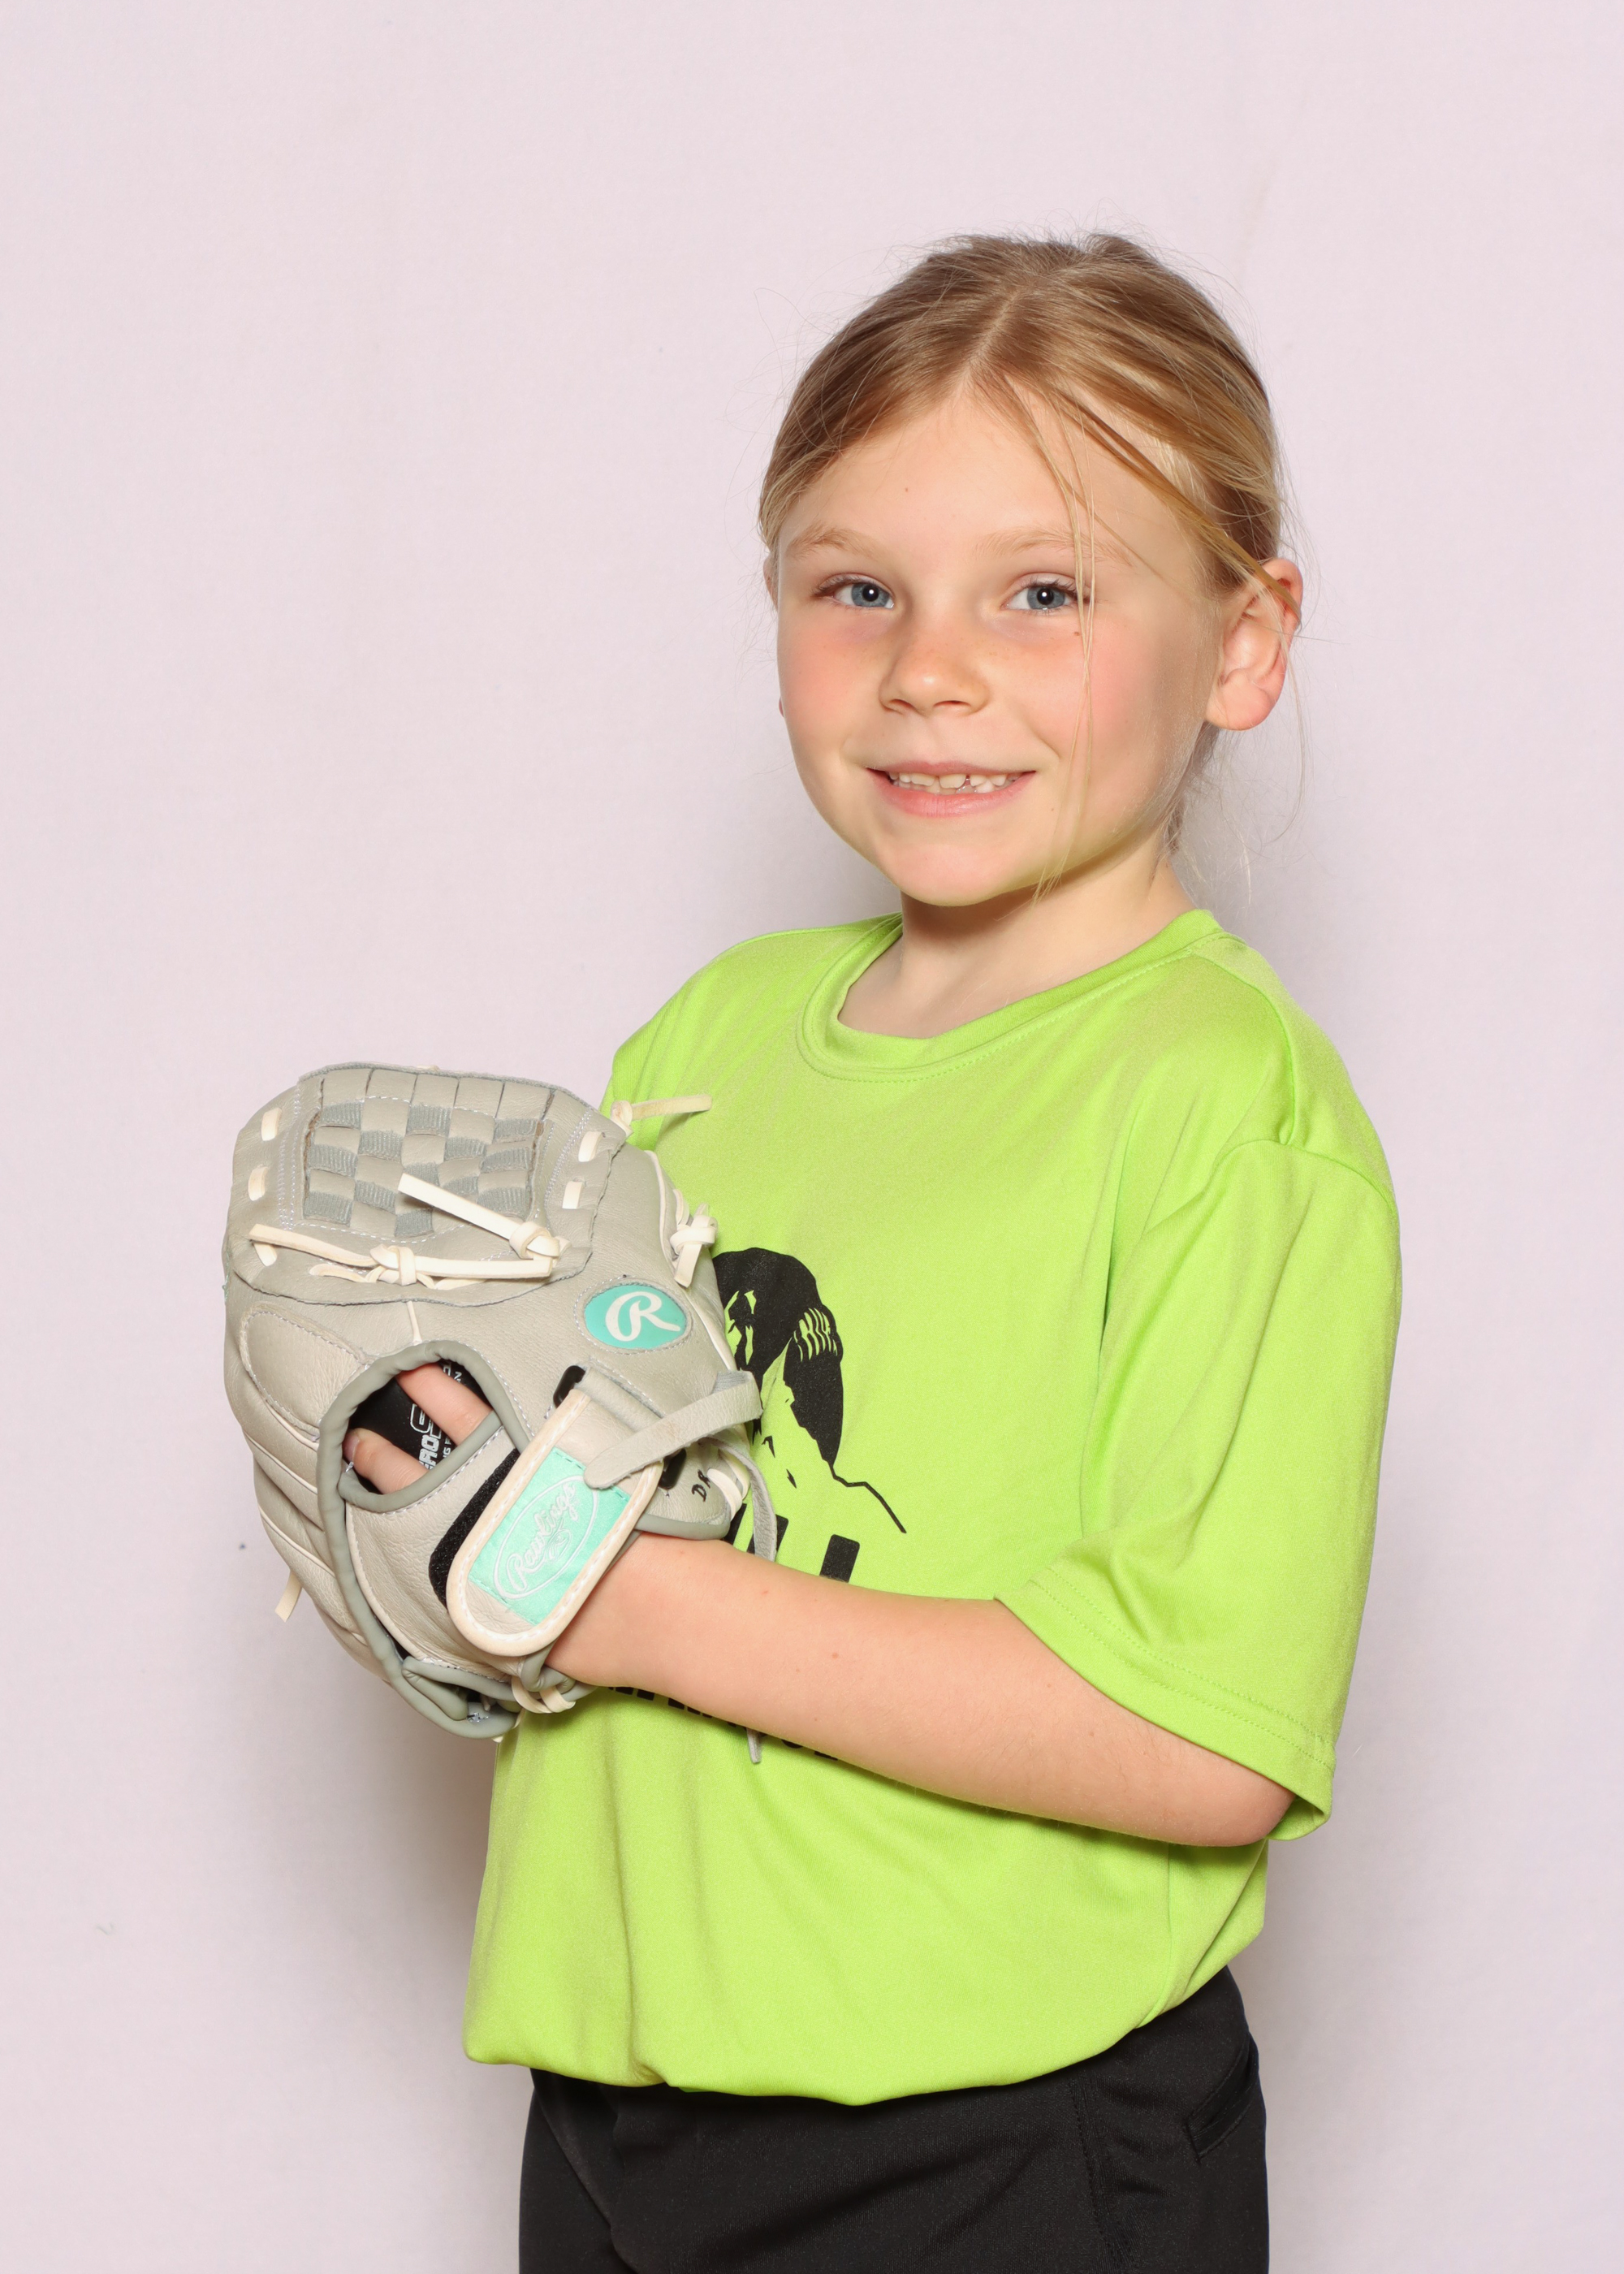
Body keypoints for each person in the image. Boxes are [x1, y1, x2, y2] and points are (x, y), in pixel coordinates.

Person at [346, 234, 1401, 2272]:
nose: (930, 668)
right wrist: (423, 1471)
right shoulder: (712, 1037)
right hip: (623, 2093)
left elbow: (1202, 1733)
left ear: (1244, 638)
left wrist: (619, 1599)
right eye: (857, 589)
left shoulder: (1223, 1107)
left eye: (1043, 591)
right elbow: (577, 1488)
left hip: (995, 2135)